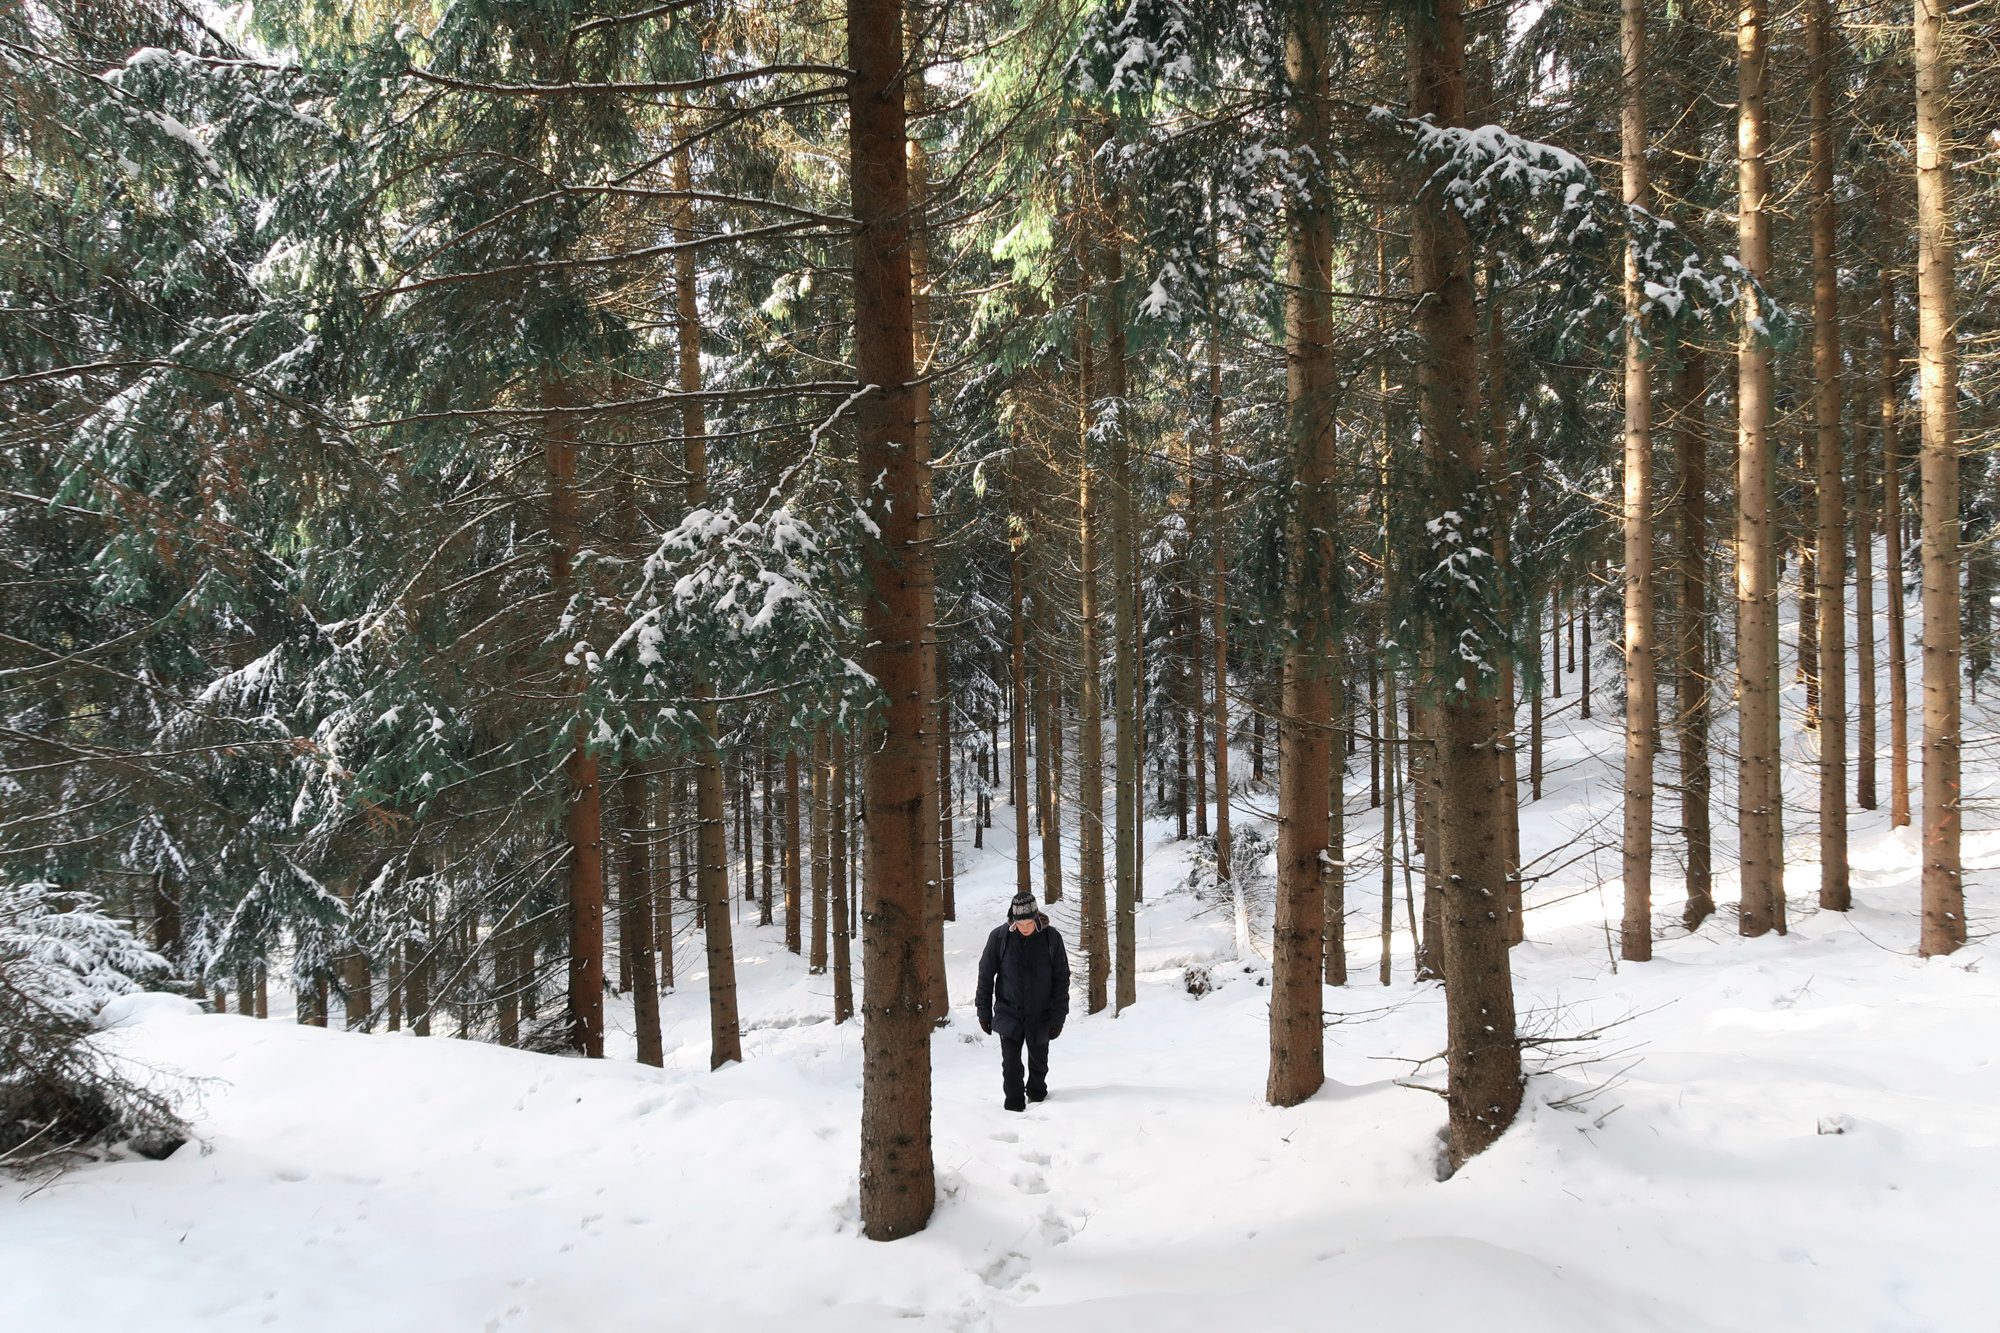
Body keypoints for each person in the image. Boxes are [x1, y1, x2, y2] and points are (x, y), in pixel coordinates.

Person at [975, 891, 1071, 1112]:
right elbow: (985, 975)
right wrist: (983, 1012)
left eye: (1029, 922)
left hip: (1041, 1014)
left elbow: (1061, 979)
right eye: (1021, 922)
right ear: (1013, 919)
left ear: (1036, 917)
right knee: (1011, 1066)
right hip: (1009, 1012)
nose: (1025, 927)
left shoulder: (1051, 938)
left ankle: (1038, 1102)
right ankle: (1014, 1106)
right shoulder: (999, 938)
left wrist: (1058, 1017)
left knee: (1039, 1064)